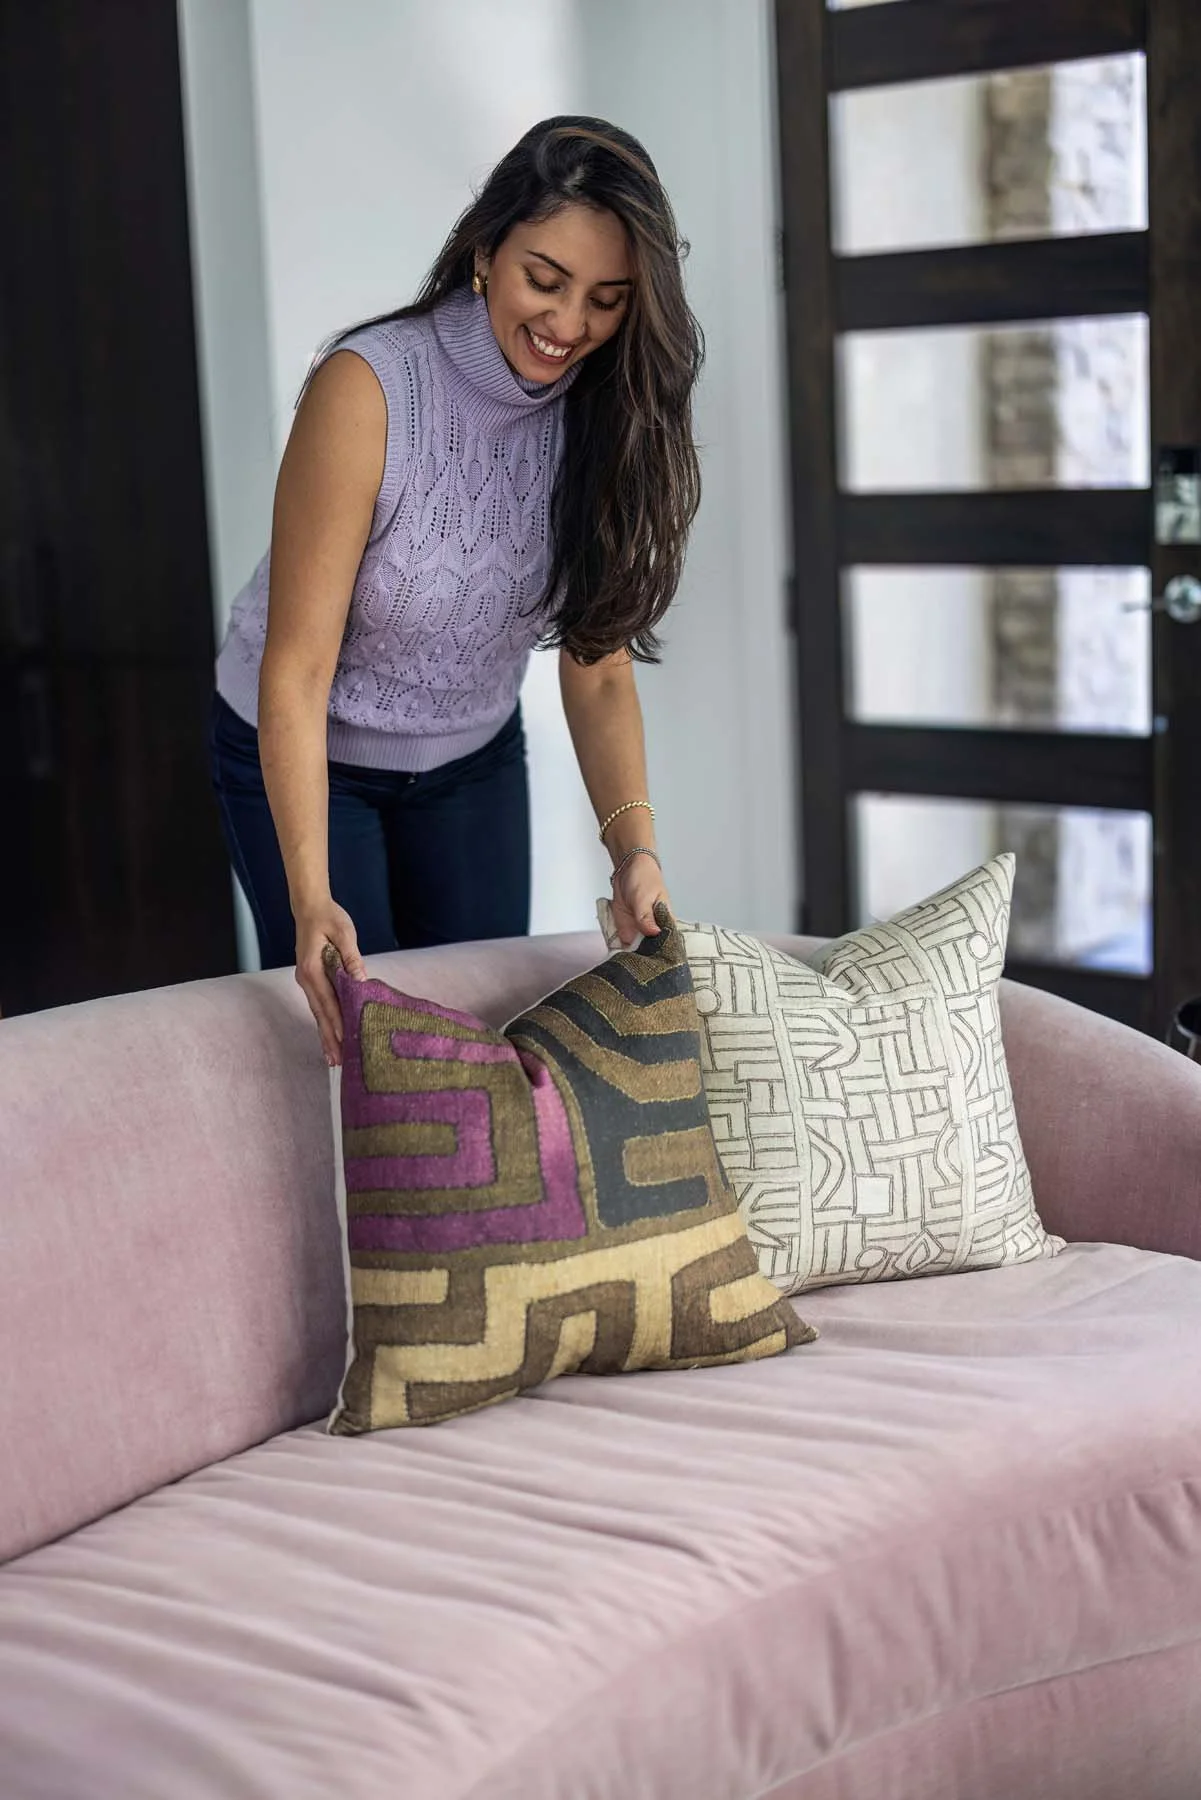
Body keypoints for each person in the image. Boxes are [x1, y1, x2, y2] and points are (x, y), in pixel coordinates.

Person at [209, 116, 703, 1067]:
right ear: (486, 251)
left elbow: (595, 670)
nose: (567, 327)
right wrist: (309, 896)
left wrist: (632, 853)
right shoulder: (368, 390)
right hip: (315, 749)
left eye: (606, 300)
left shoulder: (608, 416)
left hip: (471, 759)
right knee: (361, 1043)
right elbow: (298, 668)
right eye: (544, 281)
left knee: (481, 1041)